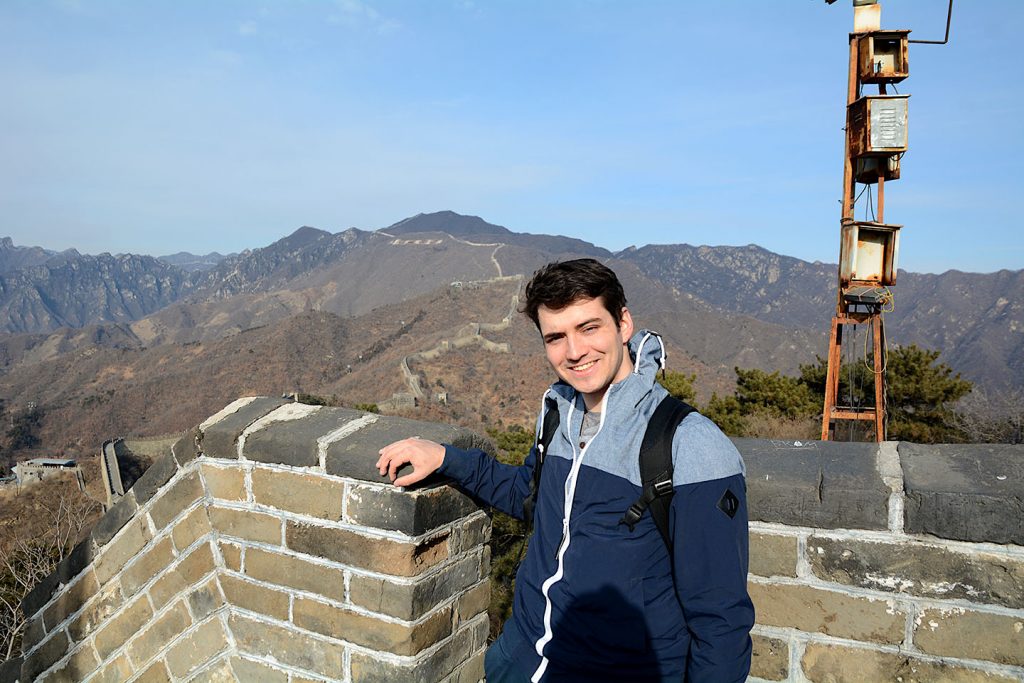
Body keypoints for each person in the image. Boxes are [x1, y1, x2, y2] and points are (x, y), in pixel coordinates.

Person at [377, 259, 753, 682]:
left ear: (623, 324)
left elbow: (720, 622)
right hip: (520, 662)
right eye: (556, 337)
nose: (574, 352)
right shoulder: (559, 414)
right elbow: (530, 497)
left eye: (588, 328)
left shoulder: (690, 445)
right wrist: (448, 459)